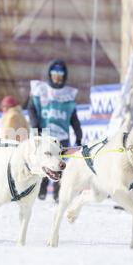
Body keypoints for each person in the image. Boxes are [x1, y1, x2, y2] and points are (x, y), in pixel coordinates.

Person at [27, 59, 82, 202]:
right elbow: (31, 108)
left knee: (59, 165)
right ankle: (41, 190)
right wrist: (35, 125)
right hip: (45, 135)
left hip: (61, 137)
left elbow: (74, 118)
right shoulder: (41, 90)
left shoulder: (68, 94)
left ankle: (58, 195)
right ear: (50, 74)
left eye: (60, 74)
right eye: (54, 73)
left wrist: (79, 136)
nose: (57, 76)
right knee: (45, 163)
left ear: (64, 76)